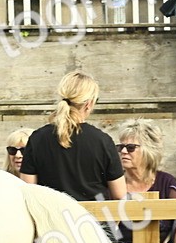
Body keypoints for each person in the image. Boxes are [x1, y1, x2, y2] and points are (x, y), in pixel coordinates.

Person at [19, 71, 126, 207]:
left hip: (51, 224)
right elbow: (120, 195)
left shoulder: (37, 139)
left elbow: (28, 191)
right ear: (89, 103)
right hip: (93, 224)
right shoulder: (103, 141)